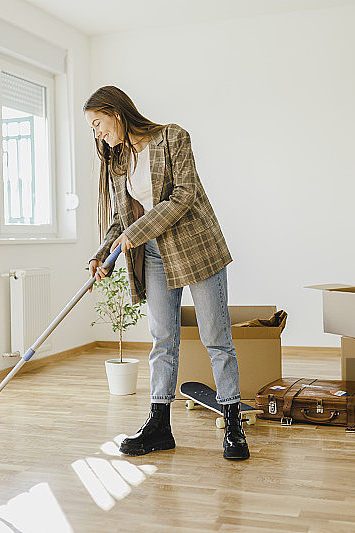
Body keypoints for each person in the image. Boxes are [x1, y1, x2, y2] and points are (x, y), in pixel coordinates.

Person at [84, 86, 249, 461]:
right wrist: (101, 254)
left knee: (216, 337)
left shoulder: (172, 136)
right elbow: (122, 220)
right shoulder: (119, 161)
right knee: (163, 339)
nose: (97, 133)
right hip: (154, 255)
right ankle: (159, 425)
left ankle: (233, 422)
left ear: (116, 112)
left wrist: (132, 234)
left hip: (195, 248)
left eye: (98, 123)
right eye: (93, 129)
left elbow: (183, 196)